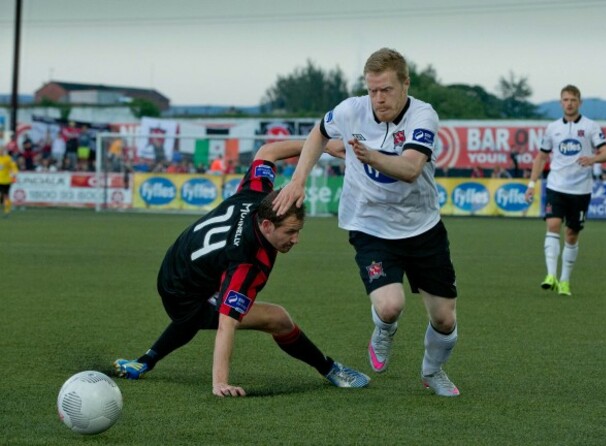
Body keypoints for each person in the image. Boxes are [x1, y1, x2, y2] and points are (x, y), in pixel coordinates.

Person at [113, 140, 370, 397]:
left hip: (175, 266)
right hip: (181, 292)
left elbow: (268, 151)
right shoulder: (248, 261)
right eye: (290, 232)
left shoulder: (256, 195)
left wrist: (322, 146)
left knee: (200, 309)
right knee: (277, 318)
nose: (296, 240)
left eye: (298, 231)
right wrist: (220, 383)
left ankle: (145, 361)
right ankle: (331, 369)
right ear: (267, 225)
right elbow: (227, 322)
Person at [273, 48, 461, 397]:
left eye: (386, 90)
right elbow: (319, 132)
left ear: (405, 84)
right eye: (372, 90)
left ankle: (432, 372)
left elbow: (410, 169)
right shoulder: (351, 110)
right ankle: (384, 329)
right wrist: (299, 178)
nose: (378, 98)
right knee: (390, 306)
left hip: (422, 227)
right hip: (370, 225)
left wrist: (369, 154)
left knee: (444, 319)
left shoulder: (423, 115)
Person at [524, 85, 606, 296]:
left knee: (571, 234)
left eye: (573, 99)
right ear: (560, 102)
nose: (569, 103)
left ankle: (564, 281)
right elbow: (542, 157)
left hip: (581, 189)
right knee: (552, 224)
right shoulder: (552, 128)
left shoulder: (591, 127)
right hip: (556, 186)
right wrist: (531, 184)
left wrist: (593, 158)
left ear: (579, 102)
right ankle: (550, 275)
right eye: (565, 99)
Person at [0, 145, 19, 216]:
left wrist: (15, 173)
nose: (0, 151)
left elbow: (13, 166)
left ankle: (7, 210)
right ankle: (4, 206)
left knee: (6, 195)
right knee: (2, 195)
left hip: (6, 180)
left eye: (2, 150)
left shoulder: (8, 159)